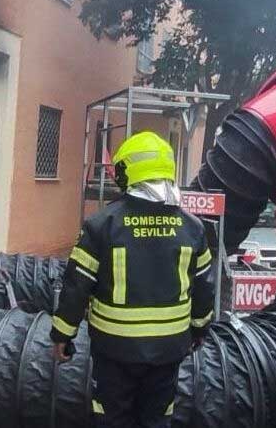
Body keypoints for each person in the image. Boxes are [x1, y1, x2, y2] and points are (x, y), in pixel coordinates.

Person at [50, 131, 215, 428]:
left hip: (115, 349)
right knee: (157, 418)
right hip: (169, 349)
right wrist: (199, 328)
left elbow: (77, 286)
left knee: (112, 418)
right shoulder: (193, 228)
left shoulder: (102, 225)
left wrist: (63, 334)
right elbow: (204, 286)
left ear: (126, 172)